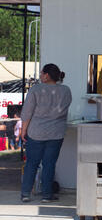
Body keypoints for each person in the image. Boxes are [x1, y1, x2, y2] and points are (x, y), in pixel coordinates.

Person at [20, 63, 72, 203]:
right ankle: (46, 195)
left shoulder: (36, 89)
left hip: (36, 132)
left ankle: (25, 194)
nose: (41, 75)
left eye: (42, 73)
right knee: (49, 164)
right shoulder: (66, 90)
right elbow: (65, 109)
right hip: (56, 133)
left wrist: (23, 130)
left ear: (47, 76)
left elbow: (27, 112)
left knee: (32, 163)